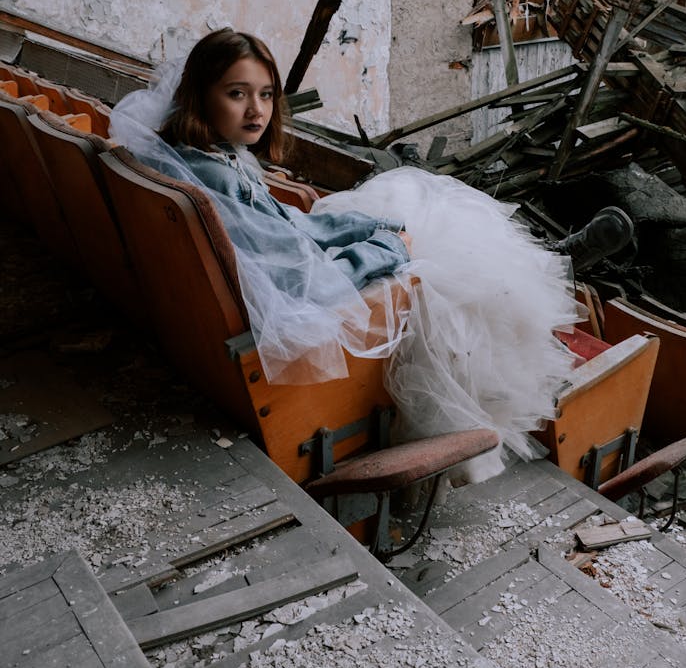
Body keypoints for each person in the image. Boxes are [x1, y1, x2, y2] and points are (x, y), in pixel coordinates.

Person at [109, 28, 584, 478]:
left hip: (224, 321)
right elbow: (310, 282)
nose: (257, 110)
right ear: (201, 96)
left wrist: (373, 228)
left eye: (266, 94)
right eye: (237, 94)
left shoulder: (204, 156)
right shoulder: (216, 181)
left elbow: (288, 224)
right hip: (291, 336)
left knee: (412, 209)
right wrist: (388, 250)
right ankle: (495, 406)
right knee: (451, 272)